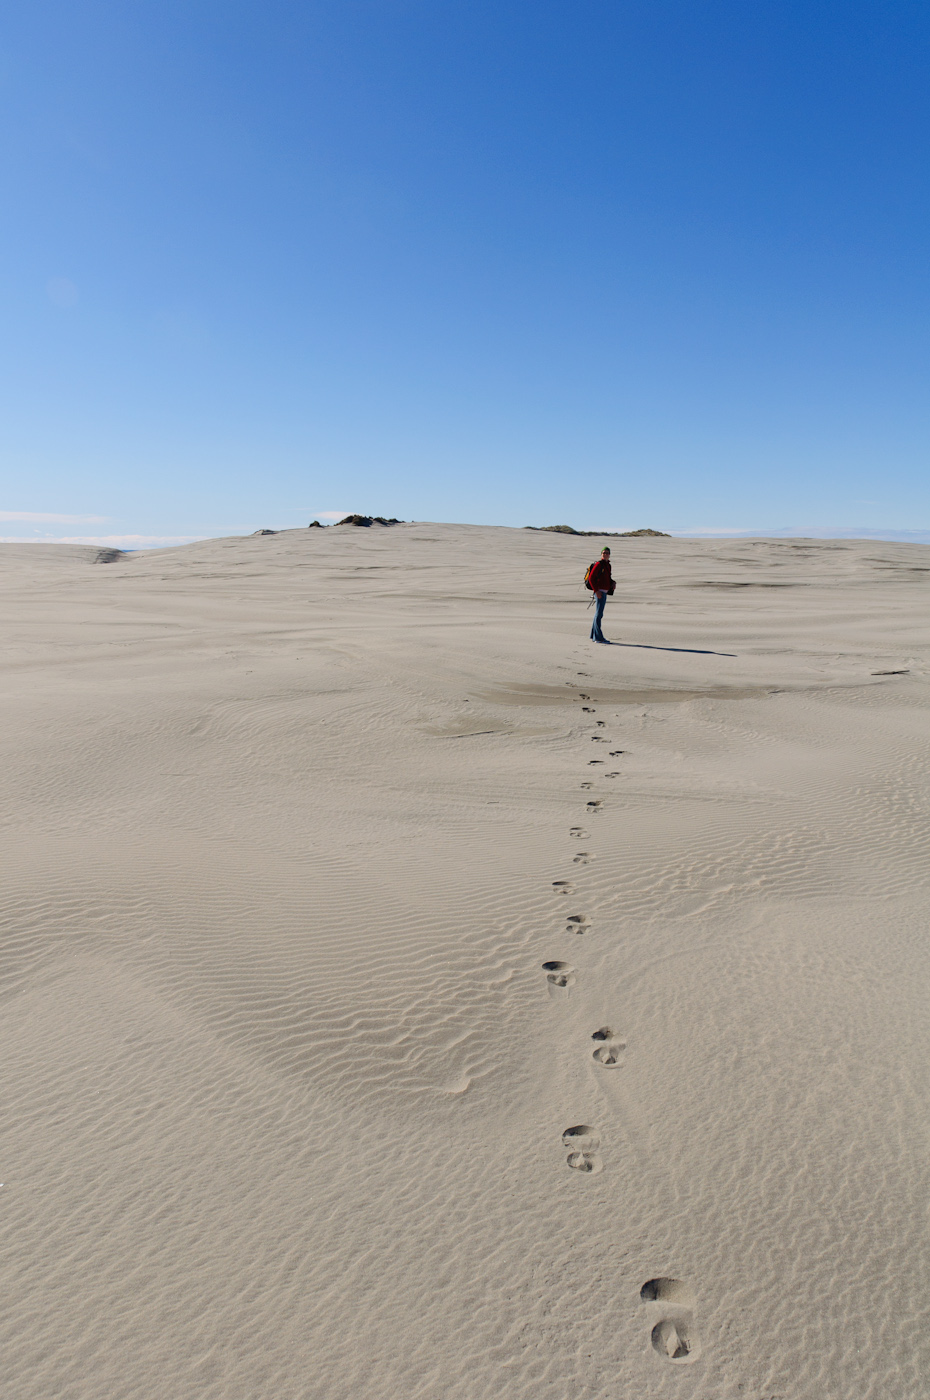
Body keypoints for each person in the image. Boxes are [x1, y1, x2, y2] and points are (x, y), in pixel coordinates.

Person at [587, 547, 615, 643]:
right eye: (603, 553)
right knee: (598, 614)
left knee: (598, 614)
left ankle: (593, 635)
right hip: (600, 592)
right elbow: (591, 578)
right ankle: (598, 638)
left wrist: (613, 583)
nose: (605, 554)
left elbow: (607, 578)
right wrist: (596, 591)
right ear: (601, 554)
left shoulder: (608, 565)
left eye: (607, 553)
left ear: (609, 554)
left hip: (604, 592)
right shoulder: (599, 564)